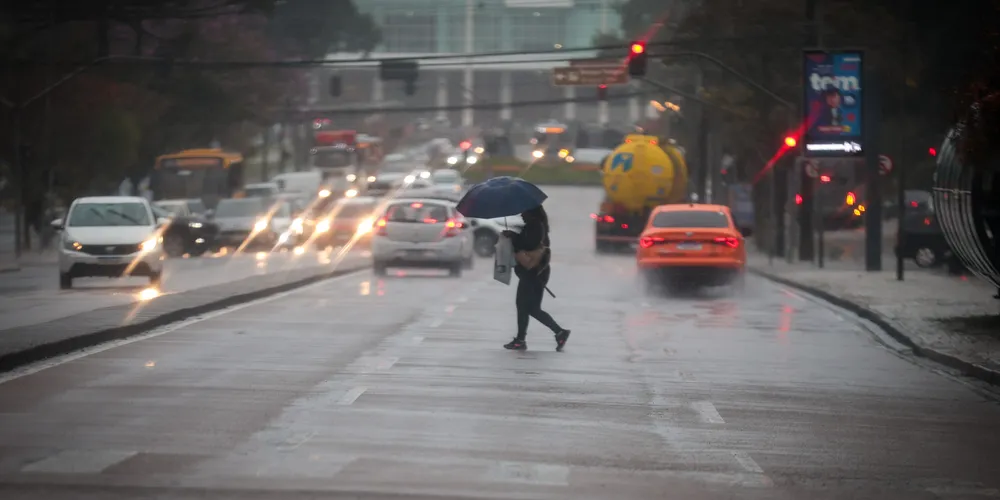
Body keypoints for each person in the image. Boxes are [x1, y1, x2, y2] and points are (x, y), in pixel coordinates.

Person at [501, 205, 571, 351]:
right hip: (537, 271)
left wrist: (513, 237)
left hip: (533, 271)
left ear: (531, 212)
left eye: (524, 211)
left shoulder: (536, 226)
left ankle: (521, 340)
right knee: (531, 308)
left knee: (523, 305)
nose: (521, 214)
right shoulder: (537, 225)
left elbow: (529, 244)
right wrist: (514, 235)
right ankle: (559, 332)